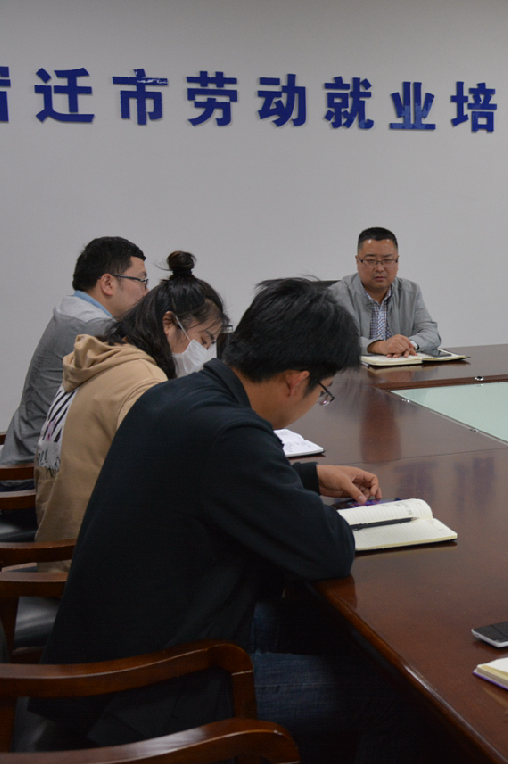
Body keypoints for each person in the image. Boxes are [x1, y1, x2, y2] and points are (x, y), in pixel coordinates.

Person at [35, 278, 404, 763]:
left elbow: (205, 486)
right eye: (323, 392)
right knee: (393, 697)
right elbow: (328, 550)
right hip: (154, 685)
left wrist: (307, 477)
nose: (317, 400)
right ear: (296, 379)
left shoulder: (178, 395)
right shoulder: (234, 435)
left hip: (123, 643)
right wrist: (292, 491)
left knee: (330, 631)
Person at [34, 251, 226, 568]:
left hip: (61, 547)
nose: (205, 354)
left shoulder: (102, 356)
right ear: (169, 324)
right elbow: (168, 484)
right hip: (92, 567)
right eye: (204, 341)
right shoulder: (142, 382)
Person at [0, 237, 147, 476]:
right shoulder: (92, 327)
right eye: (141, 280)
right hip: (34, 474)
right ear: (108, 283)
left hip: (28, 456)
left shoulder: (73, 311)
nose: (146, 292)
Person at [329, 226, 440, 356]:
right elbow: (335, 339)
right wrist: (378, 346)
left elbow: (431, 333)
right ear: (358, 261)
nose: (380, 268)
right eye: (371, 260)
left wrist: (409, 345)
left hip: (400, 367)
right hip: (354, 368)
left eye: (387, 260)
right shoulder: (337, 294)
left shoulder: (410, 292)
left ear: (397, 262)